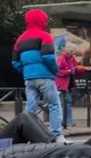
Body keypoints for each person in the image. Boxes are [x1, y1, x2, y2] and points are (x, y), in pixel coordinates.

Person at [12, 9, 64, 141]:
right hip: (45, 76)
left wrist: (26, 71)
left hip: (29, 78)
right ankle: (57, 135)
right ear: (42, 20)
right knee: (54, 105)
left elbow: (15, 61)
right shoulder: (45, 36)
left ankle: (29, 136)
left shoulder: (20, 39)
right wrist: (55, 70)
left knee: (31, 108)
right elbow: (48, 57)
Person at [56, 44, 84, 129]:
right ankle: (65, 122)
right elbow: (57, 71)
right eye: (73, 52)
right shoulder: (61, 58)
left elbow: (76, 68)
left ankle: (67, 121)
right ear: (69, 52)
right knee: (63, 103)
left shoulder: (71, 59)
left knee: (67, 103)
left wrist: (85, 68)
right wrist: (68, 71)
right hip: (62, 84)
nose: (74, 54)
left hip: (69, 84)